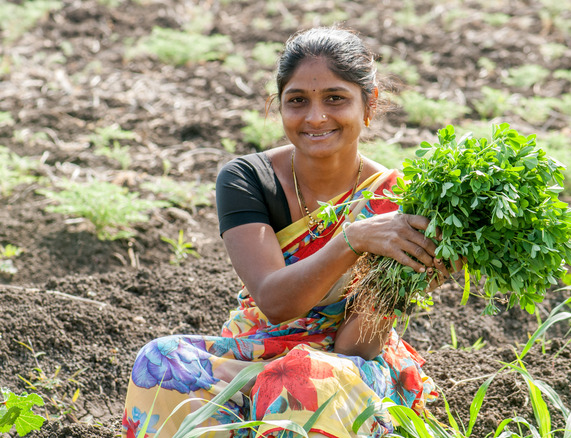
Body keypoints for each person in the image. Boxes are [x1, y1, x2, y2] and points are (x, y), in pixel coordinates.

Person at [122, 27, 457, 438]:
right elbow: (275, 301)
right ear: (279, 107)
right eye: (297, 101)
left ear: (368, 106)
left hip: (340, 371)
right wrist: (352, 240)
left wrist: (405, 284)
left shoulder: (398, 203)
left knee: (299, 378)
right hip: (254, 351)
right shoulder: (248, 179)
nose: (315, 117)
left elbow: (355, 348)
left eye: (335, 98)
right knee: (162, 359)